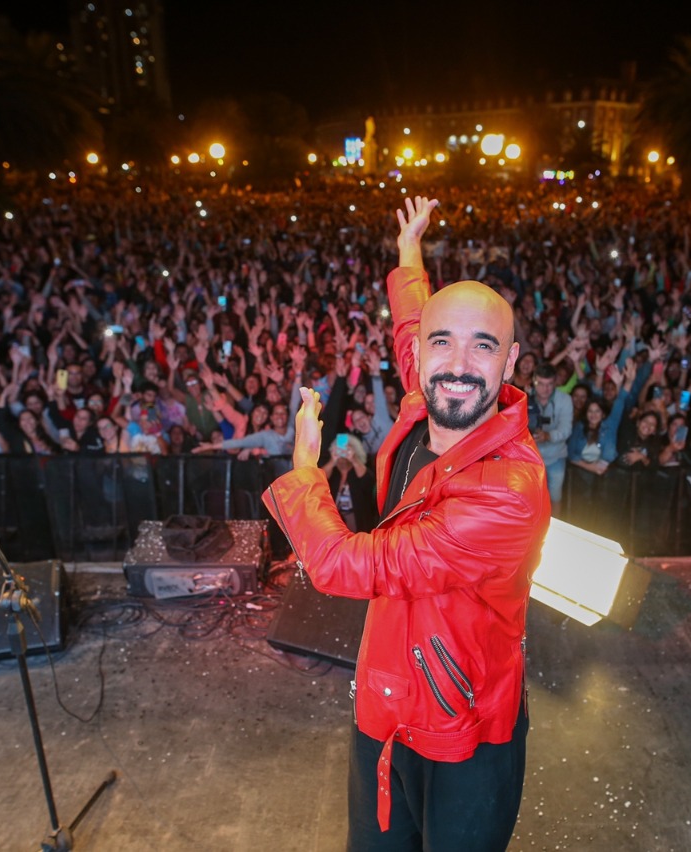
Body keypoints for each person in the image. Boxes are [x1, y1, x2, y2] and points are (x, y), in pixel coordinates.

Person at [263, 196, 549, 851]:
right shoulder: (427, 402)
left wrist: (307, 465)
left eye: (484, 346)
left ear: (509, 364)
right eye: (441, 343)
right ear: (422, 356)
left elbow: (342, 565)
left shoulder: (509, 489)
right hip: (387, 704)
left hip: (465, 734)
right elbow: (412, 321)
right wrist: (408, 251)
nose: (458, 363)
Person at [528, 363, 573, 508]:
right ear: (534, 381)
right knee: (531, 498)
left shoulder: (565, 399)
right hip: (531, 457)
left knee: (555, 498)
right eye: (540, 384)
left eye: (549, 384)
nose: (545, 389)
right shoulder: (526, 397)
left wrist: (549, 436)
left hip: (556, 457)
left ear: (556, 382)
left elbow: (567, 429)